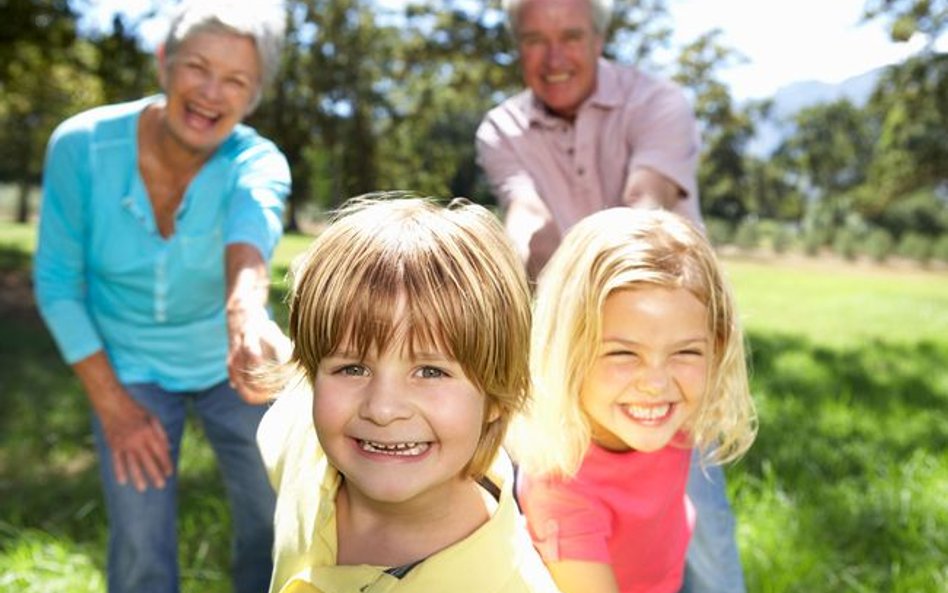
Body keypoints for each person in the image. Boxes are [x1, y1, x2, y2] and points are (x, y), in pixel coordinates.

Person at [475, 2, 745, 591]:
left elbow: (647, 194)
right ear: (516, 46)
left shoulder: (659, 103)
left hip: (661, 329)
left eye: (570, 36)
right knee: (573, 525)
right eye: (534, 40)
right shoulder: (501, 129)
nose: (554, 58)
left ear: (600, 39)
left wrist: (623, 260)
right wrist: (500, 264)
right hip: (588, 368)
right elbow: (524, 208)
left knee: (705, 540)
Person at [32, 2, 290, 592]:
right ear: (164, 62)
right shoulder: (82, 146)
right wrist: (114, 405)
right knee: (142, 542)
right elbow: (57, 283)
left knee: (275, 521)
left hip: (233, 363)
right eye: (197, 67)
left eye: (236, 81)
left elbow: (253, 235)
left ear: (253, 97)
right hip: (126, 367)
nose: (211, 93)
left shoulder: (257, 161)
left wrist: (246, 316)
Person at [256, 196, 561, 593]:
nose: (382, 409)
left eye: (430, 371)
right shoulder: (303, 441)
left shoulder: (509, 583)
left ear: (498, 396)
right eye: (353, 368)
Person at [506, 208, 758, 593]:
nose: (656, 384)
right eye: (623, 354)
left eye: (685, 352)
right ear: (567, 351)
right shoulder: (561, 489)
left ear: (716, 348)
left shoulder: (674, 417)